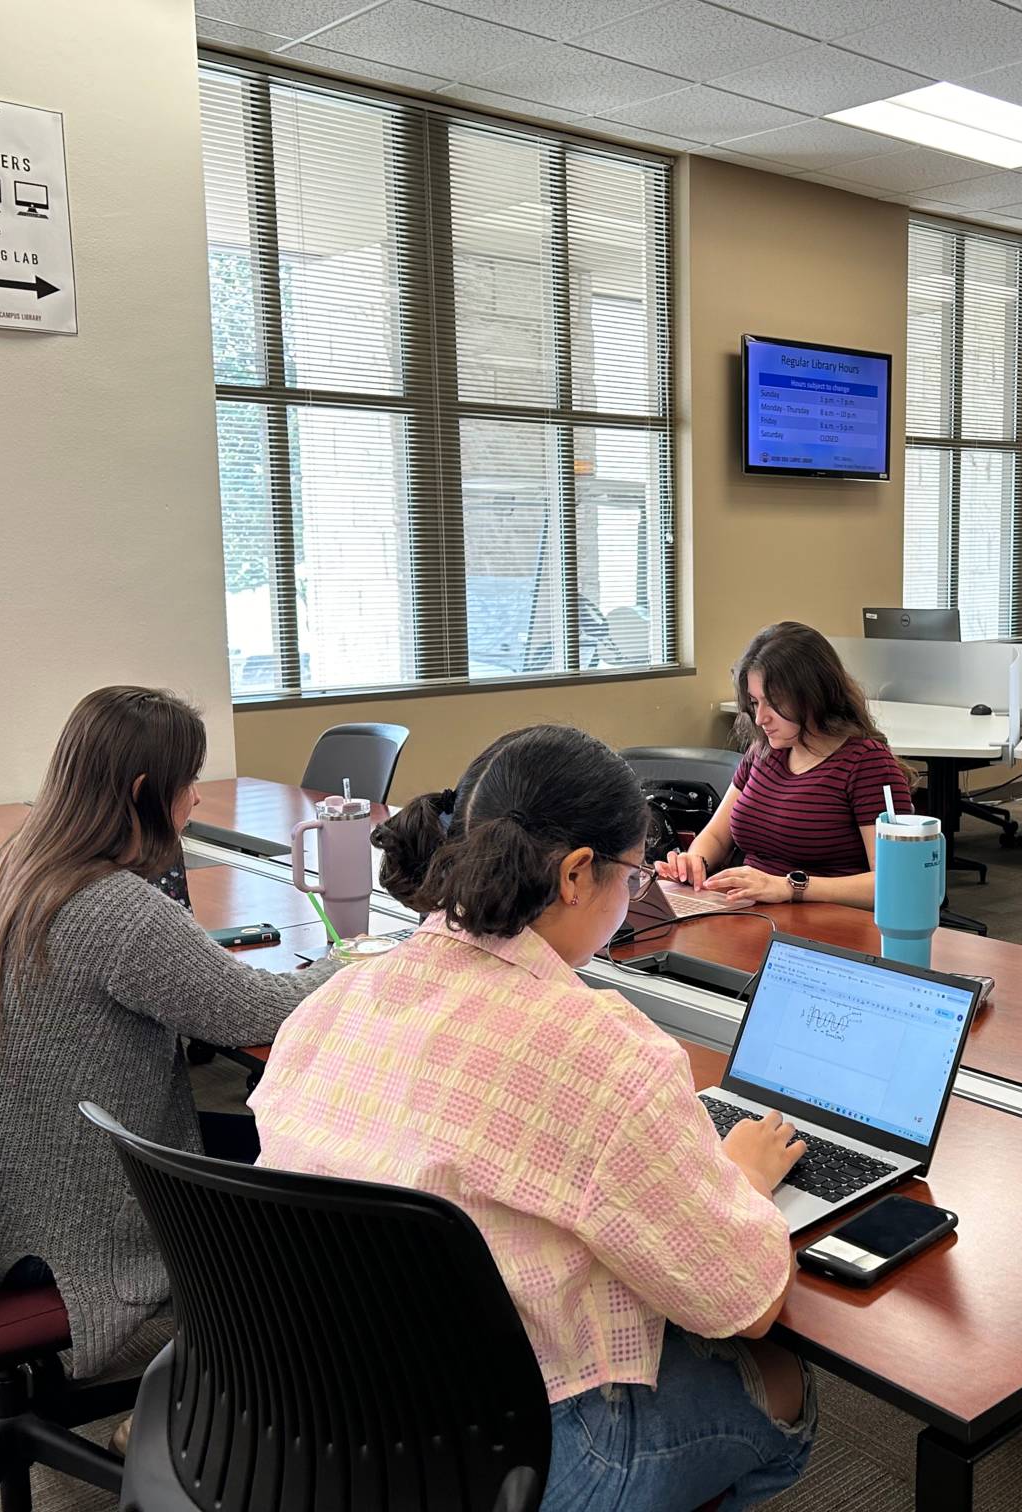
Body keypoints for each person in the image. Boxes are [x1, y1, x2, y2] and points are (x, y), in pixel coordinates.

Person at [253, 726, 816, 1510]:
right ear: (579, 874)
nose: (633, 895)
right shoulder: (610, 1054)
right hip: (513, 1461)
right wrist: (745, 1180)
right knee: (786, 1383)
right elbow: (747, 1304)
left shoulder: (336, 1001)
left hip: (328, 1415)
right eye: (632, 874)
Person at [0, 686, 346, 1381]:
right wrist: (356, 961)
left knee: (254, 1137)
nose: (194, 801)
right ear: (140, 791)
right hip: (68, 1221)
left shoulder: (16, 866)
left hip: (1, 1190)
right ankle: (224, 1381)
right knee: (326, 1178)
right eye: (187, 783)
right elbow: (256, 1011)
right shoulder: (112, 908)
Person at [657, 621, 912, 910]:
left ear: (813, 696)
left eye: (774, 703)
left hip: (824, 926)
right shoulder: (764, 752)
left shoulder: (867, 765)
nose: (760, 718)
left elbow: (895, 884)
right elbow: (716, 835)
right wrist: (695, 861)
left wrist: (789, 886)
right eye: (755, 702)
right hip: (749, 915)